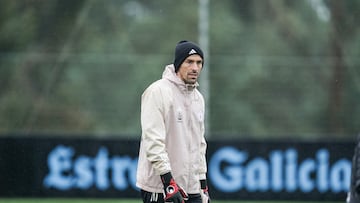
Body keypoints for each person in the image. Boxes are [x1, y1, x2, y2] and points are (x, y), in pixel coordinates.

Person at [136, 40, 210, 203]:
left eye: (199, 63)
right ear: (178, 64)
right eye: (189, 62)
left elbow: (199, 145)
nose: (195, 68)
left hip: (192, 188)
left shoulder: (198, 98)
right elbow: (153, 140)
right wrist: (168, 182)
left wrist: (202, 185)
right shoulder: (158, 91)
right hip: (162, 187)